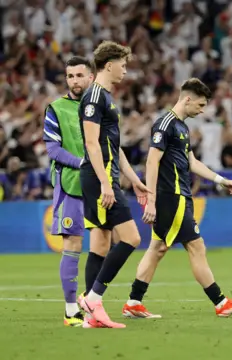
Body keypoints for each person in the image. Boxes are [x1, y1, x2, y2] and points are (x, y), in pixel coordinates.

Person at [122, 78, 232, 319]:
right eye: (200, 105)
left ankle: (133, 301)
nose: (202, 110)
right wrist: (150, 200)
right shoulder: (165, 124)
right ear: (187, 99)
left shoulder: (182, 127)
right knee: (196, 246)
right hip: (172, 196)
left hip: (177, 195)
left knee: (157, 248)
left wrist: (220, 179)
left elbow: (192, 163)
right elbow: (151, 161)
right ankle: (221, 302)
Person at [78, 41, 151, 328]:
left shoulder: (106, 97)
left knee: (99, 245)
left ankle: (92, 317)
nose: (125, 70)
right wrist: (107, 184)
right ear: (109, 64)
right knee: (131, 238)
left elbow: (113, 146)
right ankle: (93, 298)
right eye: (123, 64)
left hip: (104, 177)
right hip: (100, 179)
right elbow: (92, 143)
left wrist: (134, 181)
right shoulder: (94, 96)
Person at [43, 56, 94, 326]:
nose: (74, 81)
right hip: (71, 184)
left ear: (91, 78)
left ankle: (95, 300)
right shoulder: (56, 109)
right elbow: (52, 150)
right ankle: (71, 309)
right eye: (70, 76)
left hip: (99, 185)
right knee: (73, 244)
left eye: (79, 75)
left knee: (114, 241)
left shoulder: (99, 106)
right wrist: (81, 163)